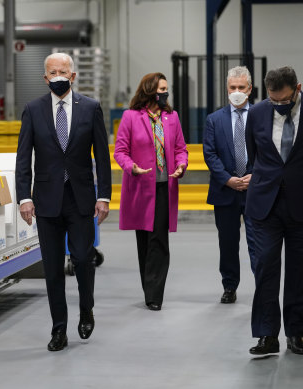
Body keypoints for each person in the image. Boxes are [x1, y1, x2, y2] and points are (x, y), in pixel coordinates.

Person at [15, 52, 112, 352]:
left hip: (80, 198)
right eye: (52, 72)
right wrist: (24, 198)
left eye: (63, 71)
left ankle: (86, 308)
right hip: (45, 201)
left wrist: (104, 196)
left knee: (83, 260)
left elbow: (102, 157)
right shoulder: (33, 110)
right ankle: (59, 329)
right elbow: (23, 158)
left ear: (73, 76)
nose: (58, 76)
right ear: (45, 78)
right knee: (53, 268)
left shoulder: (91, 108)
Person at [113, 72, 188, 311]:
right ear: (149, 91)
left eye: (167, 89)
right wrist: (130, 167)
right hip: (141, 188)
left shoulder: (172, 117)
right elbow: (120, 151)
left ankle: (155, 294)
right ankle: (149, 287)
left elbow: (181, 149)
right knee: (145, 240)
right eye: (161, 89)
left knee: (159, 239)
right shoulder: (131, 117)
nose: (165, 93)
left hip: (164, 187)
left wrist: (181, 164)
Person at [245, 66, 303, 356]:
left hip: (300, 205)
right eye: (273, 100)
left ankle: (298, 332)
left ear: (298, 88)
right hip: (264, 204)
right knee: (265, 266)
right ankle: (267, 334)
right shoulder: (256, 114)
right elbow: (254, 156)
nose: (280, 105)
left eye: (285, 100)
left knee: (299, 270)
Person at [203, 66, 257, 304]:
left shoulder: (260, 116)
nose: (236, 92)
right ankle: (229, 286)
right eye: (232, 88)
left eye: (241, 88)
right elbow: (210, 154)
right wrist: (227, 178)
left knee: (259, 242)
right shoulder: (214, 120)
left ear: (250, 89)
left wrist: (255, 175)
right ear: (227, 89)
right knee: (227, 242)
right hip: (225, 190)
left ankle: (263, 285)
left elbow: (268, 151)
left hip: (256, 190)